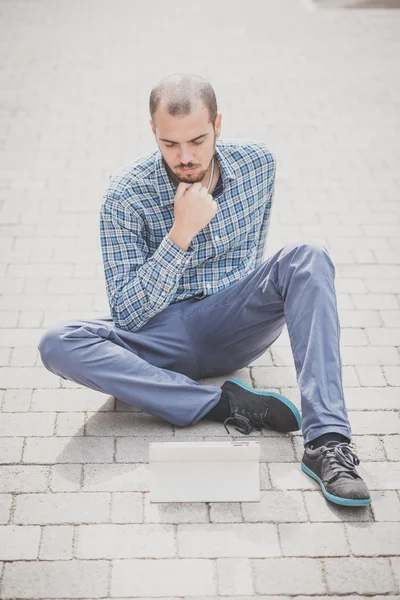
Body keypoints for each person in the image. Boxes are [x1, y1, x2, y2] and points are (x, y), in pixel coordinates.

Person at [38, 73, 371, 508]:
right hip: (159, 334)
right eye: (169, 144)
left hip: (232, 323)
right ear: (152, 132)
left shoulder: (258, 165)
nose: (185, 157)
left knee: (307, 254)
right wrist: (180, 234)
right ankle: (220, 404)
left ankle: (326, 441)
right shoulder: (125, 194)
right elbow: (127, 315)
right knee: (57, 342)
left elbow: (257, 260)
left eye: (197, 140)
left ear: (218, 125)